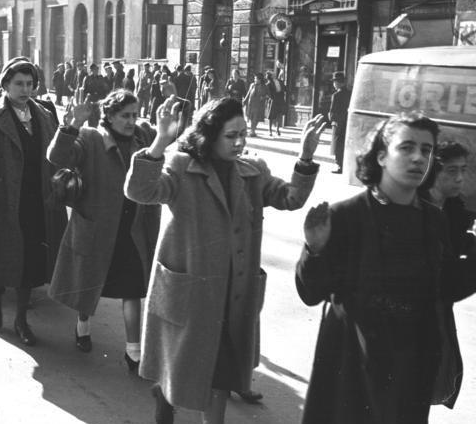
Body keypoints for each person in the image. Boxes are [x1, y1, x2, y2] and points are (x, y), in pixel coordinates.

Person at [295, 113, 476, 424]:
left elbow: (446, 288)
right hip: (353, 363)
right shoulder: (345, 216)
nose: (418, 158)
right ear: (381, 155)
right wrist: (314, 250)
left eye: (426, 150)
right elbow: (311, 293)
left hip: (409, 364)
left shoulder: (433, 220)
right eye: (406, 147)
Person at [125, 97, 328, 424]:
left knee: (219, 376)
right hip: (192, 292)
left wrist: (305, 156)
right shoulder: (181, 167)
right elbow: (141, 191)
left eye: (243, 134)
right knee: (180, 362)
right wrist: (160, 141)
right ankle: (164, 397)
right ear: (210, 135)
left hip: (233, 296)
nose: (239, 143)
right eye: (231, 135)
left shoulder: (252, 171)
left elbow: (291, 198)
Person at [0, 58, 67, 346]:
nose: (25, 89)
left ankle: (20, 319)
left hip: (35, 195)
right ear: (5, 85)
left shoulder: (43, 114)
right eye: (19, 83)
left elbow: (56, 155)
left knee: (30, 258)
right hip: (2, 197)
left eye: (30, 84)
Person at [47, 89, 160, 369]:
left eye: (134, 115)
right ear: (109, 115)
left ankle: (133, 351)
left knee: (133, 289)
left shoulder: (142, 137)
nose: (131, 121)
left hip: (132, 227)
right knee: (90, 282)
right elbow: (58, 158)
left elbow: (166, 142)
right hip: (98, 226)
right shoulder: (90, 138)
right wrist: (73, 124)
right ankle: (82, 326)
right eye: (124, 115)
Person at [328, 71, 350, 173]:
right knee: (345, 143)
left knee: (338, 145)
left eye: (334, 82)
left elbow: (333, 111)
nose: (334, 84)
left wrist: (332, 119)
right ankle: (345, 164)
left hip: (338, 123)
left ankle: (339, 165)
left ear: (338, 83)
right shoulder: (350, 93)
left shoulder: (336, 95)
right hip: (348, 122)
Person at [242, 72, 268, 138]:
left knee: (256, 118)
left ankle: (252, 131)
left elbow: (267, 95)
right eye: (254, 78)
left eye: (256, 78)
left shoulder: (264, 86)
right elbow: (248, 93)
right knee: (251, 117)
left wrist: (263, 97)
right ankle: (252, 130)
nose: (255, 80)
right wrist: (244, 101)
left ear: (260, 79)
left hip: (259, 104)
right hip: (251, 103)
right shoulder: (252, 85)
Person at [265, 71, 287, 137]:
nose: (274, 73)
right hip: (273, 100)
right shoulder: (269, 83)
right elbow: (268, 93)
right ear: (271, 76)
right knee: (271, 116)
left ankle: (277, 129)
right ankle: (270, 130)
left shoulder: (279, 81)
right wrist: (272, 98)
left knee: (279, 114)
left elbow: (284, 88)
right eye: (272, 74)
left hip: (280, 99)